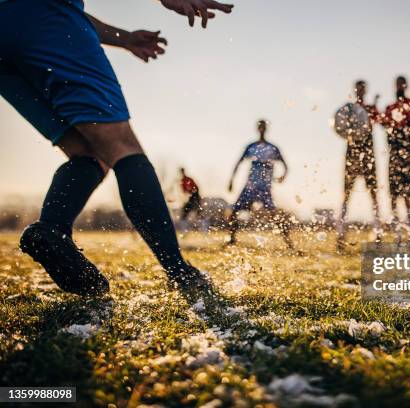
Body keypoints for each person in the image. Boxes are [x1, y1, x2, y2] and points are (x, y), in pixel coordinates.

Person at [0, 0, 233, 296]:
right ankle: (179, 271)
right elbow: (50, 11)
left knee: (89, 153)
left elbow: (48, 13)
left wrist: (125, 38)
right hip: (48, 18)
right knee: (121, 148)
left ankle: (52, 231)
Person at [227, 120, 295, 249]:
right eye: (260, 127)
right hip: (250, 186)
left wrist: (283, 176)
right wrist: (231, 180)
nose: (262, 129)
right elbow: (238, 163)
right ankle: (232, 239)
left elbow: (286, 165)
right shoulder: (251, 147)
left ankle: (288, 241)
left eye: (263, 127)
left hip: (264, 188)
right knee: (235, 211)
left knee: (274, 214)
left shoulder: (272, 148)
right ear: (257, 128)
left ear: (266, 128)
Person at [337, 80, 382, 251]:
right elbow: (341, 127)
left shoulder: (370, 108)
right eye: (359, 88)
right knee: (346, 194)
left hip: (368, 153)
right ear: (355, 90)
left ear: (366, 90)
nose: (361, 91)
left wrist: (375, 107)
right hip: (352, 153)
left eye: (363, 88)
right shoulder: (349, 110)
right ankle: (341, 234)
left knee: (374, 194)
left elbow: (378, 121)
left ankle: (378, 233)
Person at [382, 76, 410, 243]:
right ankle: (397, 235)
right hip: (394, 155)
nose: (399, 87)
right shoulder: (390, 107)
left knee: (407, 196)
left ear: (406, 85)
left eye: (402, 84)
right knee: (394, 196)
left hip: (408, 155)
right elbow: (385, 124)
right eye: (397, 84)